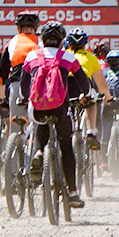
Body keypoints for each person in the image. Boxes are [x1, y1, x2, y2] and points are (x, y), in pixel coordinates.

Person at [21, 21, 87, 208]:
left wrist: (25, 98)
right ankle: (73, 192)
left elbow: (25, 84)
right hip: (60, 107)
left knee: (40, 124)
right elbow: (84, 82)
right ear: (61, 41)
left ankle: (40, 152)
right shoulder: (67, 57)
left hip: (38, 108)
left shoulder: (32, 56)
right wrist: (85, 95)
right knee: (66, 147)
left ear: (42, 39)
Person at [68, 29, 103, 149]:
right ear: (85, 45)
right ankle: (90, 133)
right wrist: (107, 97)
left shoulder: (64, 54)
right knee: (91, 102)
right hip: (83, 84)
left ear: (69, 44)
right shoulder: (90, 57)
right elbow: (101, 83)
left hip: (66, 84)